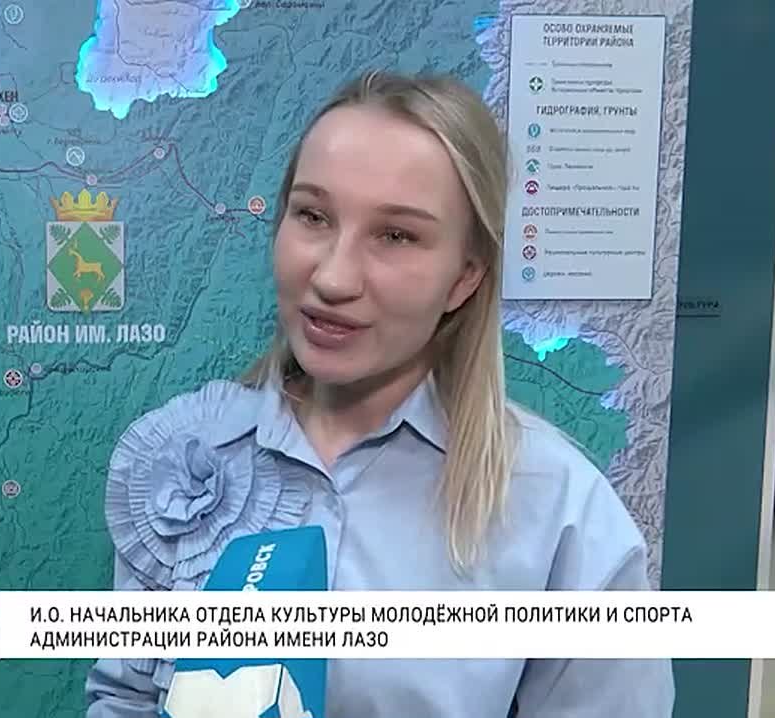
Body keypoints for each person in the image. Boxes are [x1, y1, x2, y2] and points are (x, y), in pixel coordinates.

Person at [84, 70, 675, 717]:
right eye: (313, 216)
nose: (334, 278)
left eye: (396, 235)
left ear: (464, 277)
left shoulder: (560, 512)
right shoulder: (183, 460)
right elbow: (126, 698)